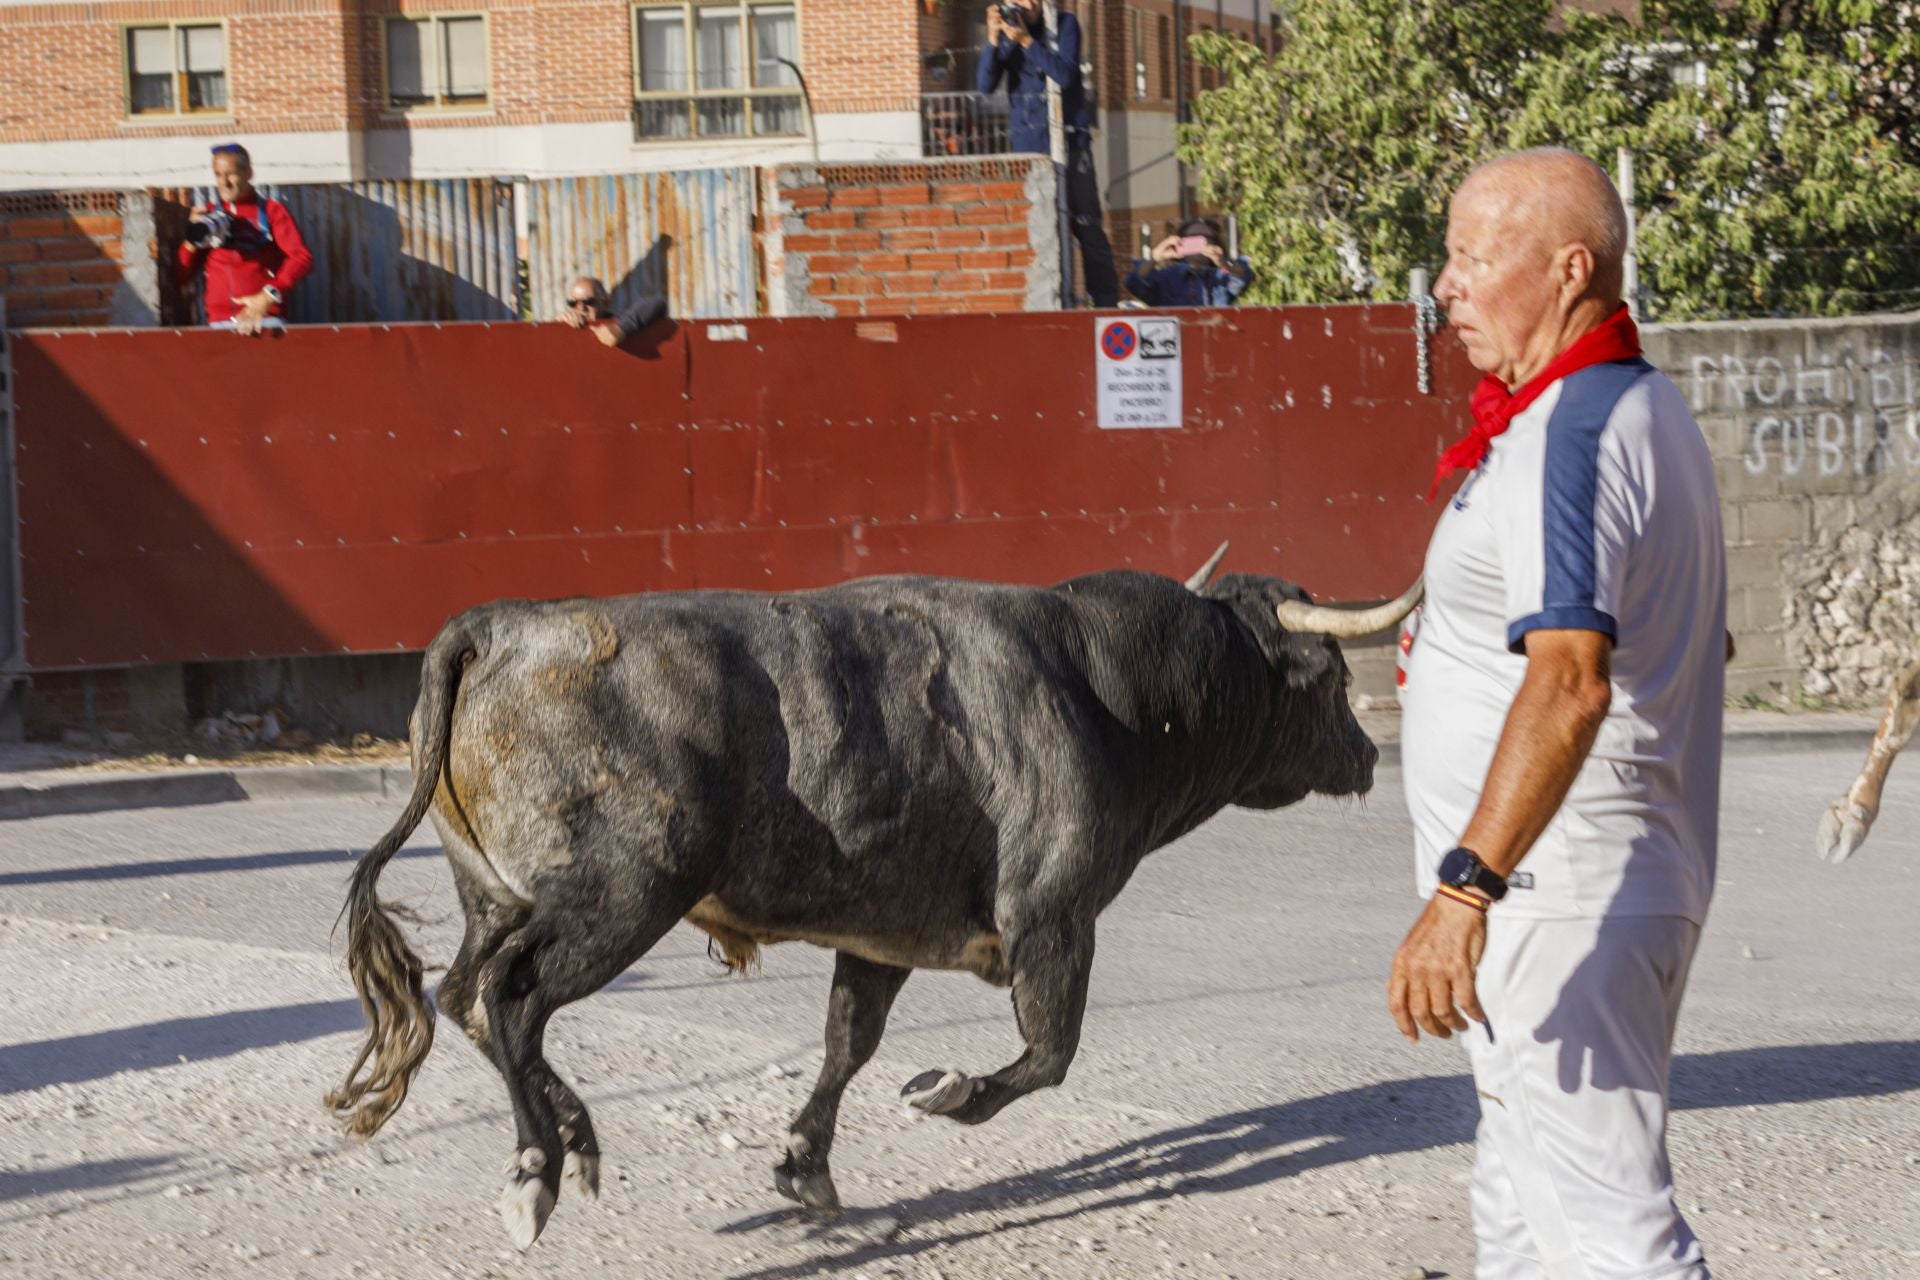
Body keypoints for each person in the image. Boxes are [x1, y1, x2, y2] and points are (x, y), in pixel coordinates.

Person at [1392, 148, 1724, 1279]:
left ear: (1570, 268)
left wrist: (1463, 885)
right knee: (1525, 1218)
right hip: (1575, 885)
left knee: (1612, 1237)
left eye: (1474, 258)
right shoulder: (1640, 406)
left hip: (1556, 890)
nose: (1447, 284)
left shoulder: (1569, 433)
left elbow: (1572, 675)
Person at [977, 0, 1119, 307]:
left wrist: (1026, 41)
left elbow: (1065, 75)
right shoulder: (1005, 28)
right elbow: (985, 84)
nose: (1027, 5)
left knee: (1087, 225)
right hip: (1032, 147)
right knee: (1045, 230)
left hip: (1072, 143)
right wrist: (993, 37)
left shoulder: (1064, 25)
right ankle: (1056, 303)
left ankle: (1106, 304)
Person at [174, 143, 313, 336]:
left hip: (264, 320)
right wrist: (191, 239)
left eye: (231, 173)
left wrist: (268, 296)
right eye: (218, 174)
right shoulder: (208, 215)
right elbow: (181, 276)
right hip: (218, 323)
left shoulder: (271, 211)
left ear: (248, 173)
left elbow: (301, 257)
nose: (224, 182)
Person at [1124, 218, 1254, 308]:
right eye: (1192, 237)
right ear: (1179, 242)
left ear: (1215, 243)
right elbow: (1134, 283)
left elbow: (1244, 276)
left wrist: (1224, 263)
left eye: (1205, 238)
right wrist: (1155, 258)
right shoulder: (1167, 277)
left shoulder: (1221, 276)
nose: (1199, 241)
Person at [555, 276, 666, 348]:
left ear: (606, 303)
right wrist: (557, 326)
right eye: (573, 303)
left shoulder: (617, 321)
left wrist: (621, 329)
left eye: (589, 301)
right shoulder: (565, 323)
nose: (581, 308)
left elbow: (657, 303)